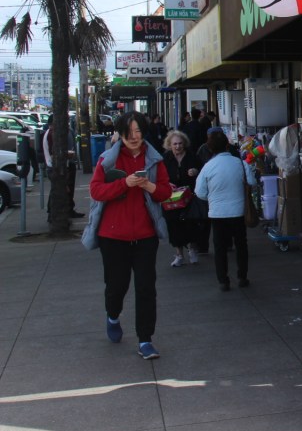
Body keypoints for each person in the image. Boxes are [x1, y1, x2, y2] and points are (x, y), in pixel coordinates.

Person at [82, 111, 172, 360]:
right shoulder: (107, 160)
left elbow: (165, 192)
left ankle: (145, 340)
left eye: (138, 131)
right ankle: (112, 316)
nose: (134, 137)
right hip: (113, 237)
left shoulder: (154, 160)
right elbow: (96, 191)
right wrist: (125, 184)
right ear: (120, 134)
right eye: (129, 132)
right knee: (116, 286)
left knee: (146, 288)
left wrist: (148, 186)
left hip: (145, 236)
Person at [195, 130, 257, 291]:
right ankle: (242, 276)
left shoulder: (208, 167)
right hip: (238, 210)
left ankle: (223, 280)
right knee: (241, 244)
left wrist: (212, 197)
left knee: (219, 247)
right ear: (227, 145)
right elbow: (252, 182)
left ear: (210, 148)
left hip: (217, 212)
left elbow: (200, 192)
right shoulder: (240, 164)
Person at [162, 130, 202, 267]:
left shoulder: (192, 156)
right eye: (175, 144)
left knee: (192, 223)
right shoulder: (165, 158)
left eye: (180, 143)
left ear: (184, 143)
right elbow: (160, 176)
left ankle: (193, 250)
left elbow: (202, 171)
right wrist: (167, 183)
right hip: (171, 198)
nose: (178, 146)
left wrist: (196, 171)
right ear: (170, 145)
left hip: (189, 196)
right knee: (174, 225)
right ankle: (179, 255)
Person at [43, 115, 84, 218]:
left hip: (63, 164)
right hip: (57, 165)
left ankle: (65, 210)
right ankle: (54, 213)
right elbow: (54, 152)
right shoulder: (52, 134)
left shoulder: (55, 132)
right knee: (60, 189)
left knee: (63, 189)